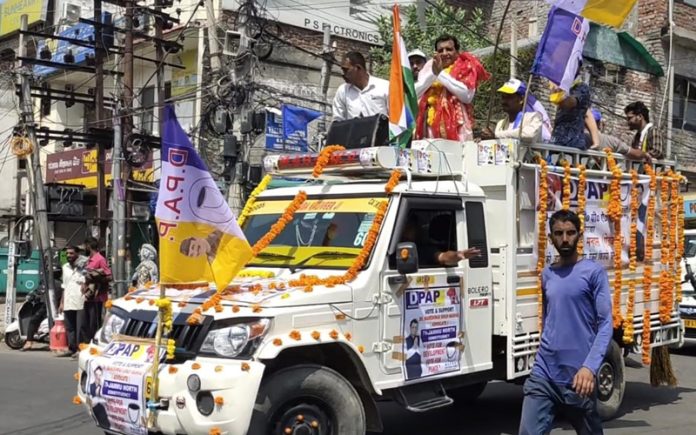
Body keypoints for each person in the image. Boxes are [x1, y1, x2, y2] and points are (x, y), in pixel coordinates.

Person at [518, 210, 611, 435]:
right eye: (559, 233)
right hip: (544, 373)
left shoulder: (593, 272)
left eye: (570, 233)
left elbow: (605, 324)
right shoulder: (547, 274)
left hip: (579, 377)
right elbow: (549, 318)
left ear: (579, 236)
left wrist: (589, 367)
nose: (565, 238)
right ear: (551, 238)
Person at [414, 34, 490, 141]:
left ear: (457, 51)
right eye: (440, 50)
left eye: (449, 49)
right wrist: (433, 74)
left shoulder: (466, 65)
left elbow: (467, 96)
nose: (445, 53)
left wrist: (440, 74)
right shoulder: (430, 66)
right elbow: (415, 93)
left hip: (458, 128)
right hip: (430, 127)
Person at [400, 214, 480, 266]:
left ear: (417, 230)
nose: (404, 232)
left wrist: (457, 255)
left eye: (409, 228)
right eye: (401, 229)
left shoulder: (424, 250)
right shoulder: (389, 248)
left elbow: (443, 257)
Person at [480, 78, 544, 143]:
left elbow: (529, 135)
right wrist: (484, 140)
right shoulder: (501, 124)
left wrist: (496, 135)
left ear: (521, 99)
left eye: (509, 97)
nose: (504, 101)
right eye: (503, 97)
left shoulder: (534, 117)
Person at [331, 51, 389, 122]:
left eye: (346, 70)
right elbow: (338, 120)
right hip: (353, 132)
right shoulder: (343, 91)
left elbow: (396, 120)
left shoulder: (384, 87)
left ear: (358, 68)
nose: (343, 74)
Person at [58, 245, 88, 358]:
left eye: (71, 253)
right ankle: (72, 348)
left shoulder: (84, 266)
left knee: (80, 327)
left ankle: (81, 349)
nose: (69, 256)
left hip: (80, 300)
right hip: (68, 300)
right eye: (67, 254)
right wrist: (61, 303)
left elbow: (88, 280)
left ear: (77, 254)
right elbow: (64, 286)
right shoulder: (65, 267)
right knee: (70, 326)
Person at [82, 236, 112, 341]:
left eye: (85, 246)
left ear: (88, 246)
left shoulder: (100, 259)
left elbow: (109, 276)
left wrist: (96, 279)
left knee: (94, 323)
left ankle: (94, 343)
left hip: (97, 298)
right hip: (88, 296)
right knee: (86, 323)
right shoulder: (88, 260)